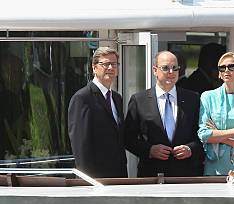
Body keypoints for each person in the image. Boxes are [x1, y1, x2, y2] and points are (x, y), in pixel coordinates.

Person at [124, 51, 203, 177]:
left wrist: (190, 149)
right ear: (155, 70)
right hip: (151, 173)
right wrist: (149, 150)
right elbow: (128, 138)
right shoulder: (139, 100)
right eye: (165, 68)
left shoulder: (192, 98)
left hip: (186, 174)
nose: (171, 72)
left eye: (175, 68)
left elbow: (202, 134)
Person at [68, 46, 127, 178]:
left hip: (118, 176)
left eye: (114, 64)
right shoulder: (82, 98)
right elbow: (80, 144)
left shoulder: (117, 98)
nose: (111, 68)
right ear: (94, 68)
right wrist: (88, 181)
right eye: (106, 64)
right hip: (95, 179)